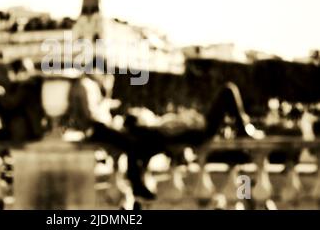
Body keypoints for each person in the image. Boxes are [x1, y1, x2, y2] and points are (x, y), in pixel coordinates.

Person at [66, 59, 264, 199]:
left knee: (228, 91)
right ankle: (242, 126)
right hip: (198, 131)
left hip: (194, 129)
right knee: (228, 90)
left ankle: (242, 125)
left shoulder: (150, 128)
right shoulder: (150, 130)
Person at [0, 58, 45, 142]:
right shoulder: (25, 85)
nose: (9, 75)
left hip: (25, 132)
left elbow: (11, 104)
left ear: (18, 72)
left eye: (10, 72)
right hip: (23, 130)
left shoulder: (27, 87)